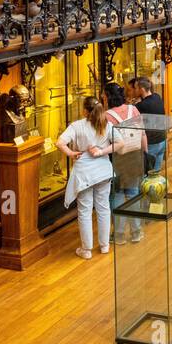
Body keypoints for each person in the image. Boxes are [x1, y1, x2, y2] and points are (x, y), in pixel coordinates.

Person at [58, 95, 116, 258]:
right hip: (103, 170)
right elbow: (120, 143)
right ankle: (104, 245)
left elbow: (59, 142)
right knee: (103, 207)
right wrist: (101, 151)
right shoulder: (106, 125)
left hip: (84, 173)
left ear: (85, 110)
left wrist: (71, 153)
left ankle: (87, 249)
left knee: (84, 210)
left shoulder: (76, 126)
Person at [103, 82, 145, 245]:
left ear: (107, 97)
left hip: (117, 159)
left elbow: (105, 142)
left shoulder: (106, 116)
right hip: (135, 156)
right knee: (133, 192)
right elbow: (142, 134)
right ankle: (136, 232)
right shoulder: (133, 109)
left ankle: (119, 234)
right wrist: (145, 153)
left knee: (118, 194)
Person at [130, 76, 167, 175]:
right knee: (155, 173)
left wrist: (134, 103)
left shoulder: (142, 105)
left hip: (151, 142)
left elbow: (131, 114)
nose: (134, 90)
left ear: (141, 89)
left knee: (145, 173)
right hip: (162, 139)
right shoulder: (157, 96)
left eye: (136, 88)